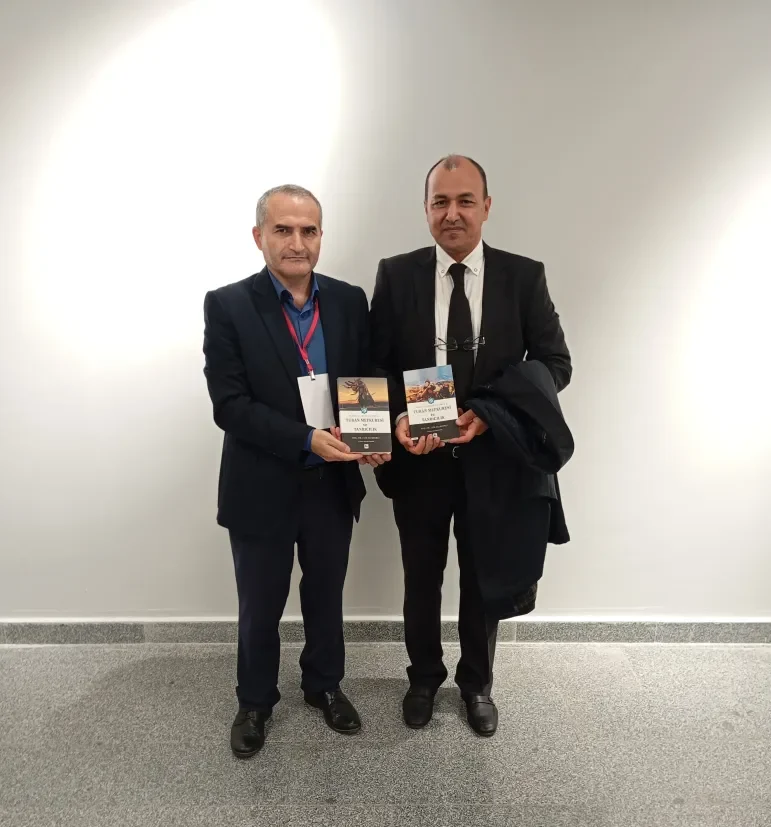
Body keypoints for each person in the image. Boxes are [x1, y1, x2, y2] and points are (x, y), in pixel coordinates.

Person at [371, 155, 572, 737]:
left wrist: (489, 414)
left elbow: (555, 364)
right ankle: (422, 678)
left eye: (464, 200)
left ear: (487, 206)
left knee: (484, 577)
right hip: (420, 463)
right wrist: (396, 421)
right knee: (421, 577)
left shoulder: (523, 276)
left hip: (494, 461)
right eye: (440, 201)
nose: (452, 213)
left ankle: (477, 683)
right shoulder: (396, 275)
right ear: (425, 209)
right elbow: (374, 365)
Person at [203, 184, 386, 758]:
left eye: (308, 230)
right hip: (262, 483)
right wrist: (306, 438)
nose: (297, 242)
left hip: (331, 483)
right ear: (259, 236)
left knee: (326, 593)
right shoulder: (228, 305)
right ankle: (255, 701)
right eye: (283, 229)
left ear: (321, 237)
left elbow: (364, 377)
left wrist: (371, 436)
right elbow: (230, 405)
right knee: (260, 604)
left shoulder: (349, 300)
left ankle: (324, 684)